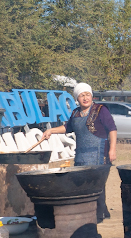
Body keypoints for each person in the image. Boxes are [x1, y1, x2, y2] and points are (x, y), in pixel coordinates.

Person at [41, 82, 117, 221]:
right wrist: (51, 130)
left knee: (98, 184)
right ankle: (95, 211)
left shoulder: (101, 110)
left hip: (99, 154)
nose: (85, 98)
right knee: (82, 184)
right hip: (81, 155)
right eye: (82, 95)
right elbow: (67, 128)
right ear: (77, 98)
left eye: (87, 94)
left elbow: (112, 129)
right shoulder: (75, 112)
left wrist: (112, 149)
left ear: (91, 96)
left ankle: (98, 215)